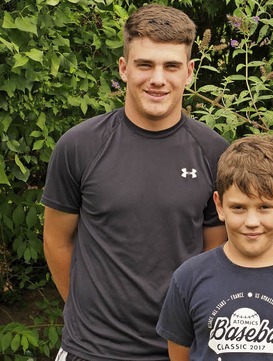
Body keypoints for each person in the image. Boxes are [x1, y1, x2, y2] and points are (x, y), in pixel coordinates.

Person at [41, 4, 229, 360]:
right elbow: (56, 242)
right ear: (124, 69)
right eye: (145, 64)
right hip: (90, 350)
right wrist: (89, 314)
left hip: (178, 350)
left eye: (171, 66)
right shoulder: (79, 146)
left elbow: (213, 256)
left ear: (189, 72)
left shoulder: (213, 152)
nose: (158, 78)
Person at [156, 134, 273, 360]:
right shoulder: (188, 278)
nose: (252, 221)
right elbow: (179, 355)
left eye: (265, 207)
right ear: (219, 205)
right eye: (238, 208)